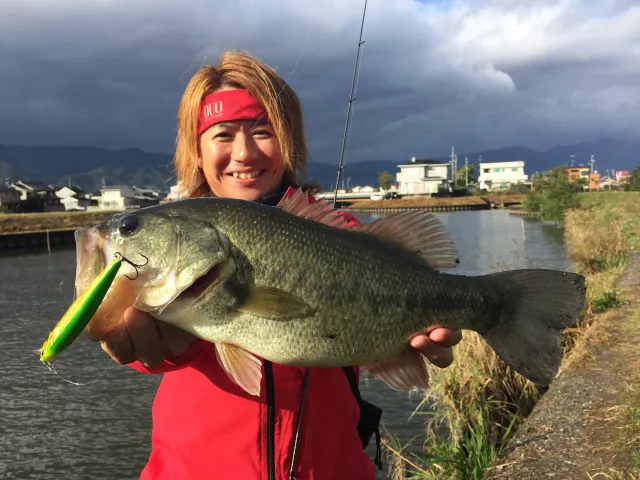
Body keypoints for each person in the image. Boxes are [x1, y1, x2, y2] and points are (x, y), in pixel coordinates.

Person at [100, 50, 462, 480]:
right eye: (221, 134)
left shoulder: (344, 234)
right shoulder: (167, 236)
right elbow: (145, 339)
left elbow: (389, 320)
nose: (244, 152)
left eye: (262, 130)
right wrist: (138, 341)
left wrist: (425, 334)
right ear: (195, 150)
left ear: (289, 141)